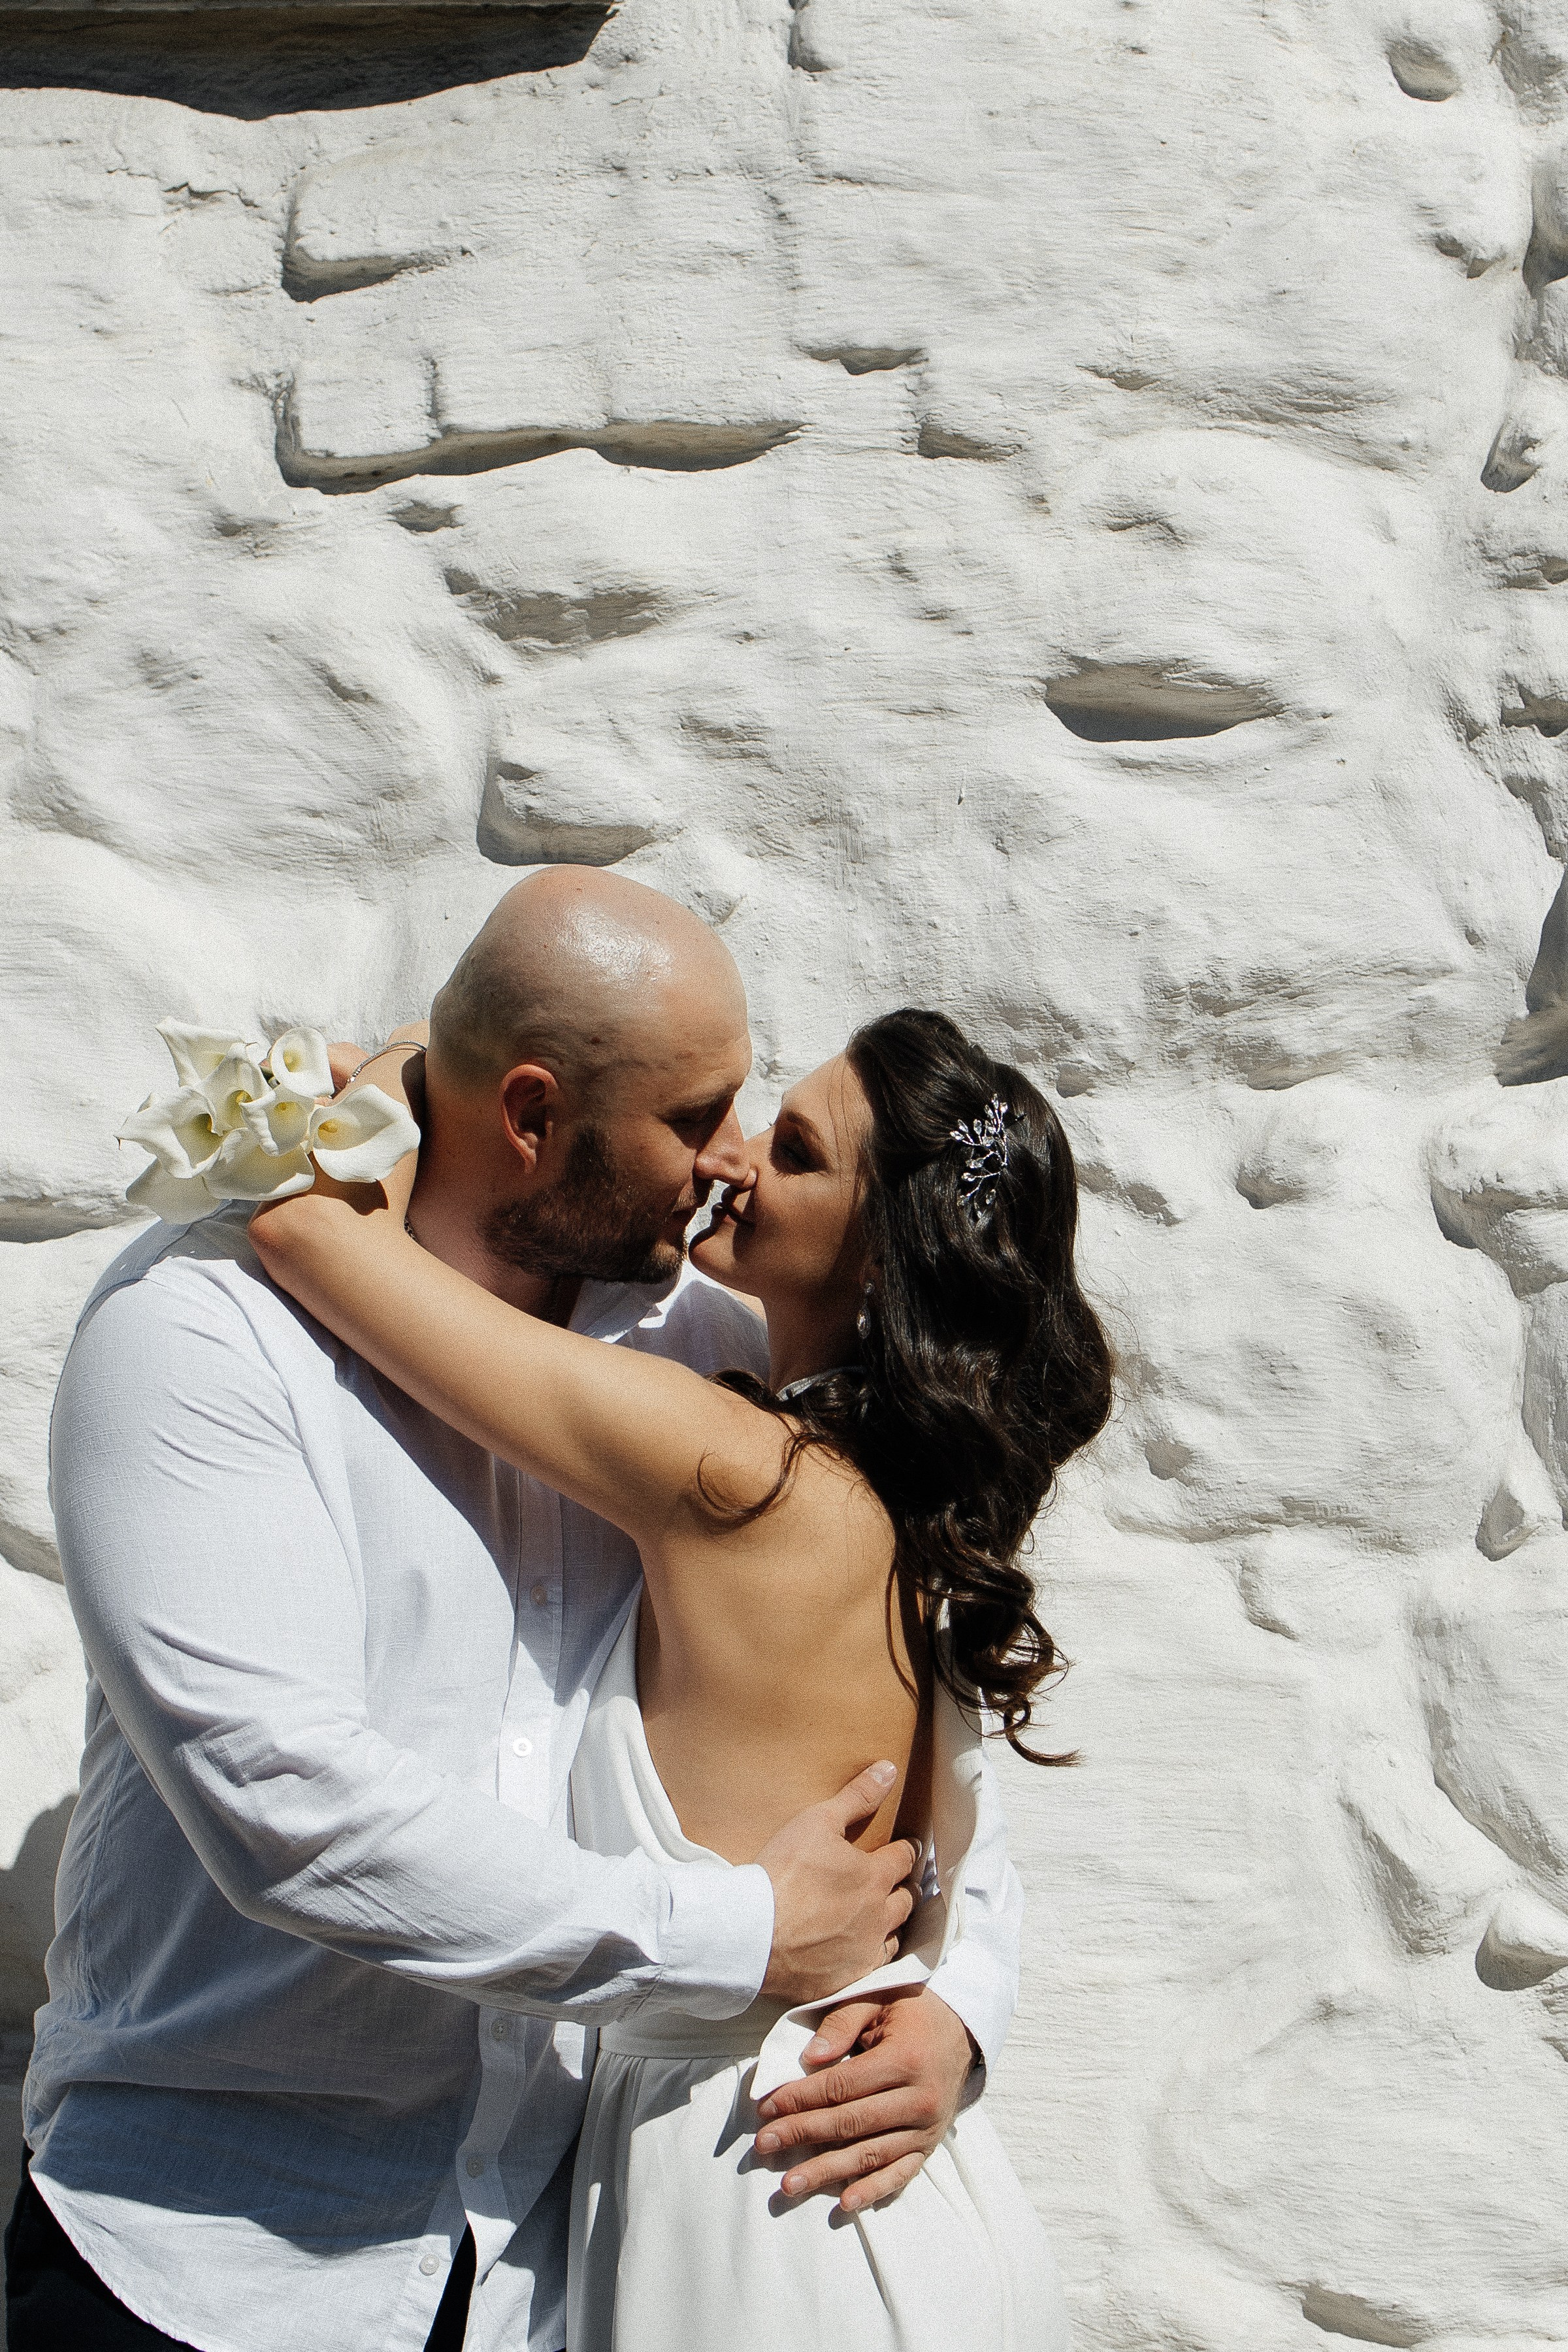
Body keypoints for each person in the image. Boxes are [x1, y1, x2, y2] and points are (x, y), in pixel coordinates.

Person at [8, 872, 1028, 2352]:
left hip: (547, 2270)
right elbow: (284, 1804)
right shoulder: (203, 1333)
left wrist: (956, 1999)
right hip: (214, 2252)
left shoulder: (705, 1355)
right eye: (697, 1116)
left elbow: (911, 1715)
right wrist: (733, 1934)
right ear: (535, 1115)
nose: (730, 1161)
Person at [248, 997, 1113, 2349]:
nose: (740, 1159)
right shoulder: (909, 1502)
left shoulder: (734, 1469)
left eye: (799, 1154)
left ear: (881, 1260)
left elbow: (305, 1233)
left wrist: (437, 1054)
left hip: (764, 2193)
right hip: (872, 2187)